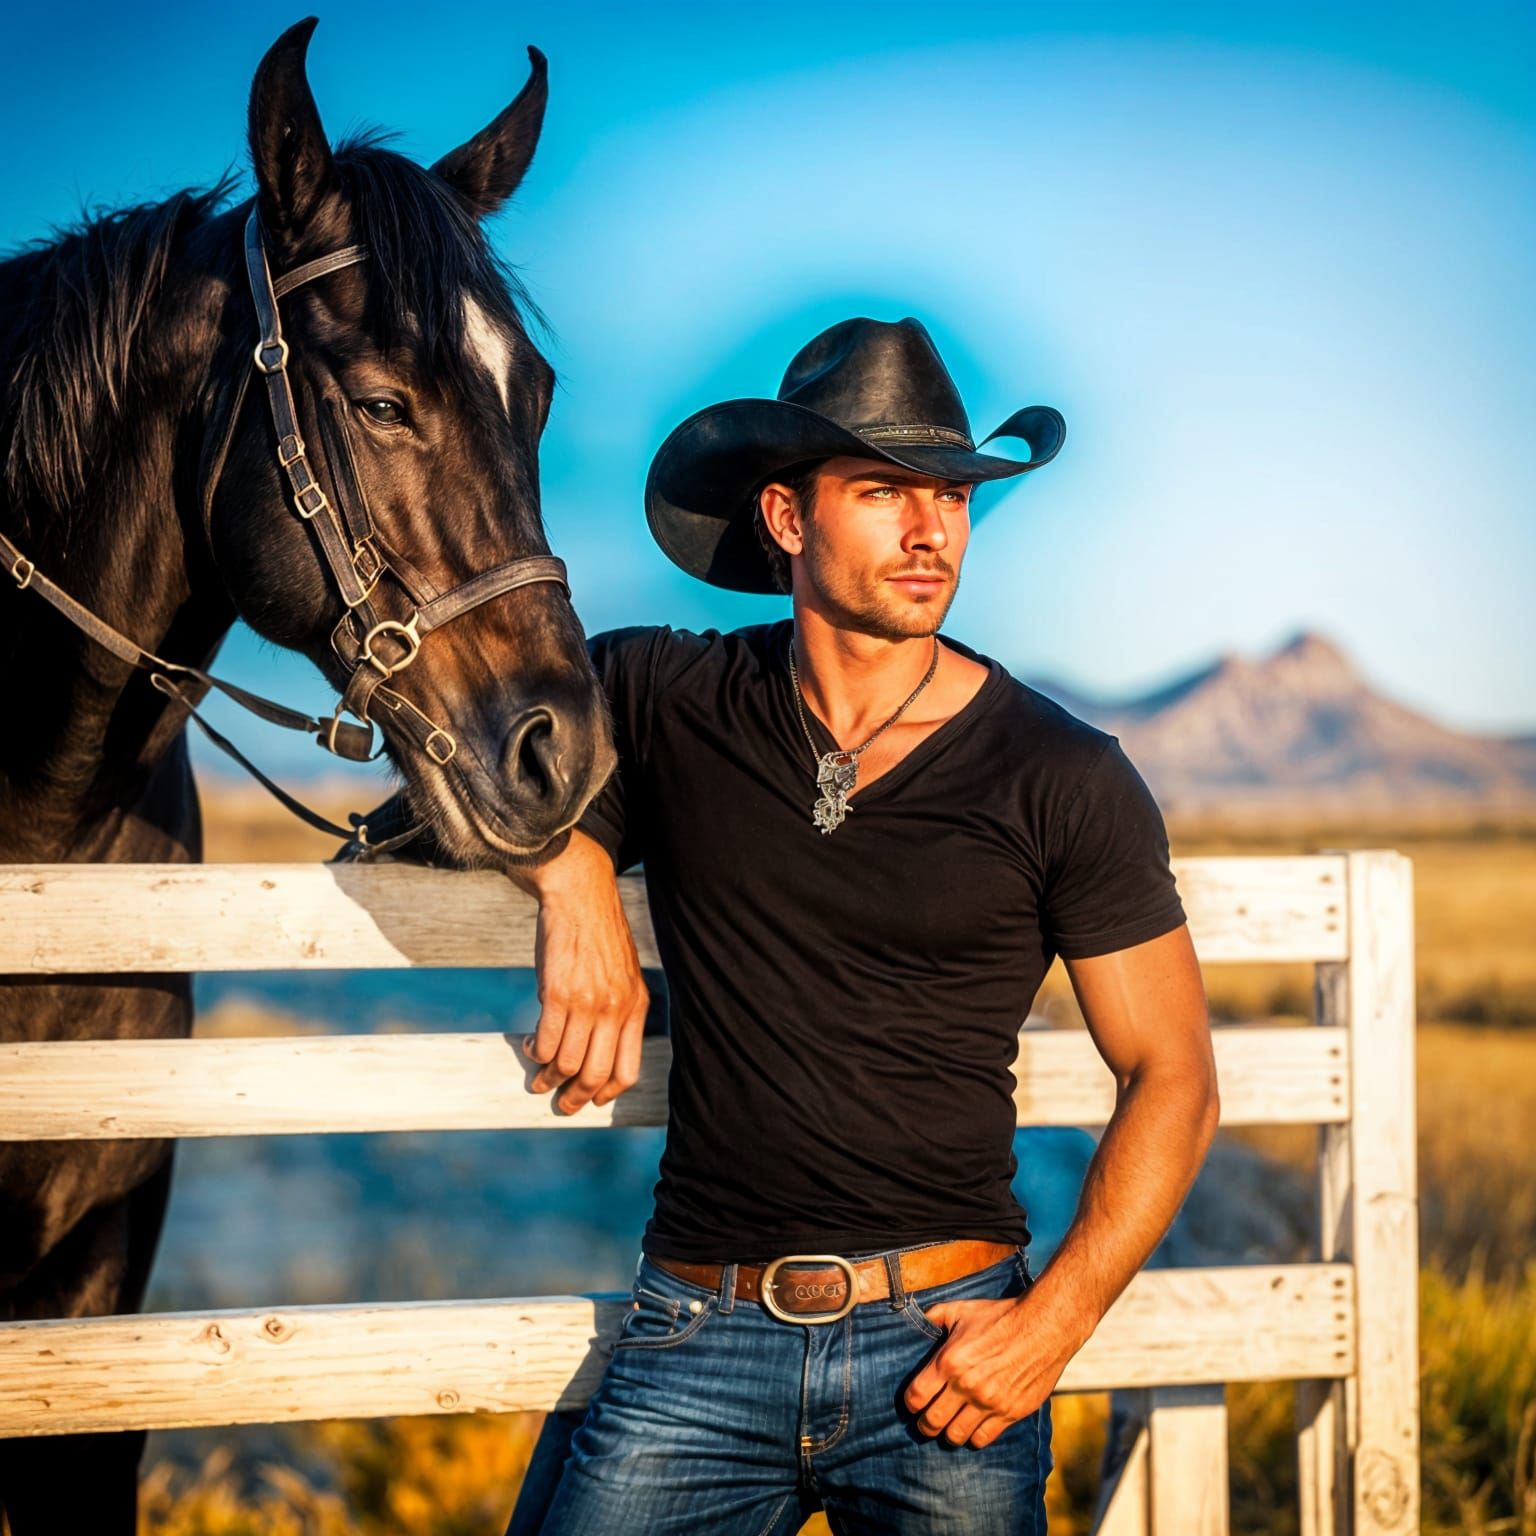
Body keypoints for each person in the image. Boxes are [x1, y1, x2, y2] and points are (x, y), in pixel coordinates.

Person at [349, 316, 1218, 1533]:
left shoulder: (1061, 773)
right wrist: (577, 875)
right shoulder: (660, 693)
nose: (932, 532)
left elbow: (1172, 1074)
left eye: (954, 498)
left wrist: (1049, 1328)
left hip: (951, 1349)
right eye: (884, 493)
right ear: (785, 517)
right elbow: (474, 778)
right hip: (696, 1339)